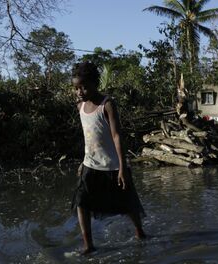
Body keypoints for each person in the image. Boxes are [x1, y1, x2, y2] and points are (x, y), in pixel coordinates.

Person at [70, 61, 146, 255]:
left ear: (95, 83)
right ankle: (88, 244)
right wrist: (83, 160)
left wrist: (122, 167)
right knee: (81, 202)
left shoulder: (107, 104)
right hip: (90, 165)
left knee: (129, 204)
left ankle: (140, 232)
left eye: (84, 87)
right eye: (77, 88)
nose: (80, 91)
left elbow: (116, 136)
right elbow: (88, 136)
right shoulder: (80, 105)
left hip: (112, 166)